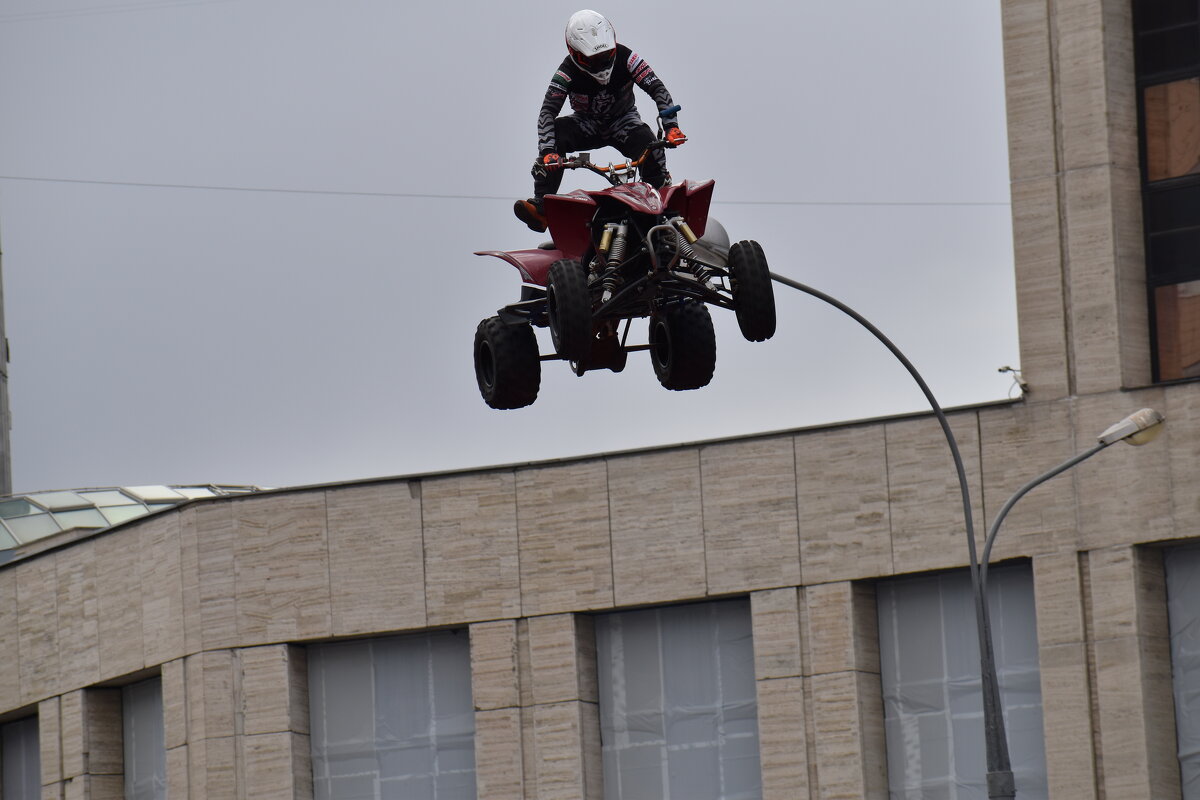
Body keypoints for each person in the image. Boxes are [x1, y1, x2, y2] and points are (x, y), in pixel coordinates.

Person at [514, 9, 687, 233]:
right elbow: (547, 111)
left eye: (605, 55)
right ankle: (541, 207)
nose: (601, 64)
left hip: (624, 121)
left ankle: (663, 201)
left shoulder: (628, 58)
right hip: (587, 124)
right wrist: (549, 151)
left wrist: (671, 127)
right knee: (556, 134)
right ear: (574, 53)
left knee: (651, 145)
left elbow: (657, 88)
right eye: (592, 59)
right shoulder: (565, 72)